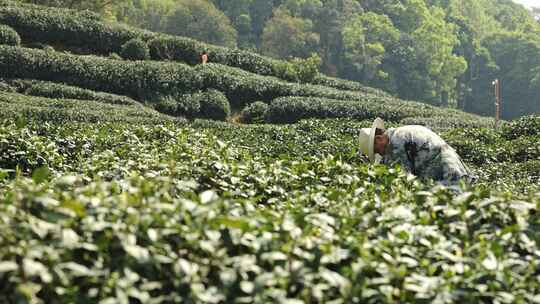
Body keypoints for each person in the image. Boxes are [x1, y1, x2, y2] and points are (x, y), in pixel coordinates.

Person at [358, 117, 476, 186]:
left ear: (379, 139)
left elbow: (403, 177)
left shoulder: (396, 142)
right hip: (451, 164)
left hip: (445, 171)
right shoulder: (400, 133)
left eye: (376, 150)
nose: (379, 154)